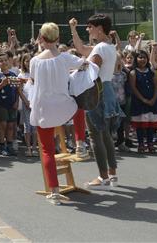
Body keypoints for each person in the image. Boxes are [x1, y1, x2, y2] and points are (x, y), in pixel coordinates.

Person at [28, 23, 90, 205]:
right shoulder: (65, 57)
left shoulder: (34, 60)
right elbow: (84, 63)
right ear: (57, 38)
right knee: (79, 108)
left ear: (41, 38)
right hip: (62, 106)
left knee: (47, 150)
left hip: (43, 108)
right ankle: (80, 143)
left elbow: (33, 78)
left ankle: (54, 192)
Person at [69, 15, 122, 186]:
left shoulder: (100, 48)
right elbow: (81, 48)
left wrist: (68, 73)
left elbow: (89, 70)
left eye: (90, 27)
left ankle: (103, 178)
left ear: (99, 28)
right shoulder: (109, 46)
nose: (88, 29)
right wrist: (73, 29)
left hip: (96, 92)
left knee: (95, 135)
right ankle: (112, 175)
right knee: (105, 135)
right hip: (107, 90)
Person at [129, 50, 157, 153]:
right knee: (140, 125)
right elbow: (133, 88)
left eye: (144, 57)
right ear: (136, 59)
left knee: (150, 125)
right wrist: (143, 100)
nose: (142, 60)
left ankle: (150, 143)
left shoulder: (151, 72)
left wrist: (153, 99)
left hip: (152, 101)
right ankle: (141, 144)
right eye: (140, 57)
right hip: (139, 102)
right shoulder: (133, 73)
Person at [0, 53, 19, 156]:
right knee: (2, 125)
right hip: (1, 104)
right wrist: (2, 84)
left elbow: (17, 90)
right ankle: (2, 145)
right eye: (1, 61)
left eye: (5, 60)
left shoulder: (13, 75)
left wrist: (16, 102)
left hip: (12, 104)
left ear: (9, 61)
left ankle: (9, 145)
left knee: (11, 125)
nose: (4, 62)